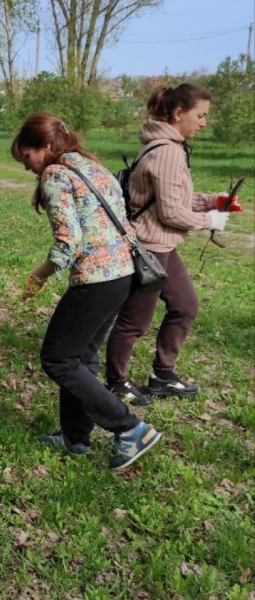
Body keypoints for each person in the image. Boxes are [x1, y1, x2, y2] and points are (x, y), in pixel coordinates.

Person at [12, 112, 162, 471]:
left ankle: (129, 428)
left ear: (45, 146)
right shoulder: (92, 165)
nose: (27, 166)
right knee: (81, 359)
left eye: (27, 156)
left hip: (96, 280)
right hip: (124, 274)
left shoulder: (56, 175)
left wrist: (40, 275)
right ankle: (75, 437)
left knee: (58, 359)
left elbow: (69, 242)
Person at [104, 83, 242, 405]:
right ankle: (116, 382)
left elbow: (173, 199)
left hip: (163, 246)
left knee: (185, 305)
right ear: (179, 114)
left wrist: (213, 201)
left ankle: (162, 375)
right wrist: (211, 221)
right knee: (134, 321)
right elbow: (170, 213)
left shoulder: (171, 146)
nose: (204, 122)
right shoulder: (167, 151)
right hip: (151, 247)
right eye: (201, 115)